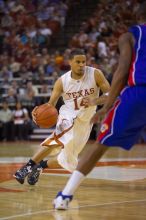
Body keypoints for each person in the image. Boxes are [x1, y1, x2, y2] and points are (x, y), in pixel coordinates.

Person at [53, 2, 146, 210]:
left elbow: (122, 72)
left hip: (139, 92)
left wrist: (107, 105)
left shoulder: (130, 35)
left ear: (137, 15)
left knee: (101, 142)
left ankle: (65, 196)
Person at [13, 49, 110, 184]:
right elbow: (51, 105)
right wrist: (39, 111)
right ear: (70, 62)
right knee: (57, 138)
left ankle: (39, 166)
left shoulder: (95, 74)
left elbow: (110, 95)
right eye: (78, 62)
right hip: (68, 115)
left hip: (86, 120)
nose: (81, 64)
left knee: (69, 161)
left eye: (83, 61)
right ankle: (26, 167)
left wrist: (94, 101)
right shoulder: (62, 81)